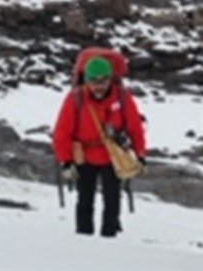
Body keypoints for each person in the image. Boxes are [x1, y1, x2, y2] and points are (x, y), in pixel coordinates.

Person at [52, 55, 146, 238]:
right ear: (86, 81)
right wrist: (65, 161)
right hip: (84, 157)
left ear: (111, 79)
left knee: (112, 199)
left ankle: (109, 236)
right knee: (84, 199)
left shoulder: (122, 97)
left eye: (103, 81)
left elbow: (135, 128)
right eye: (94, 81)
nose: (99, 86)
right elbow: (61, 132)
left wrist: (140, 154)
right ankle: (83, 237)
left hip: (113, 157)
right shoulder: (75, 98)